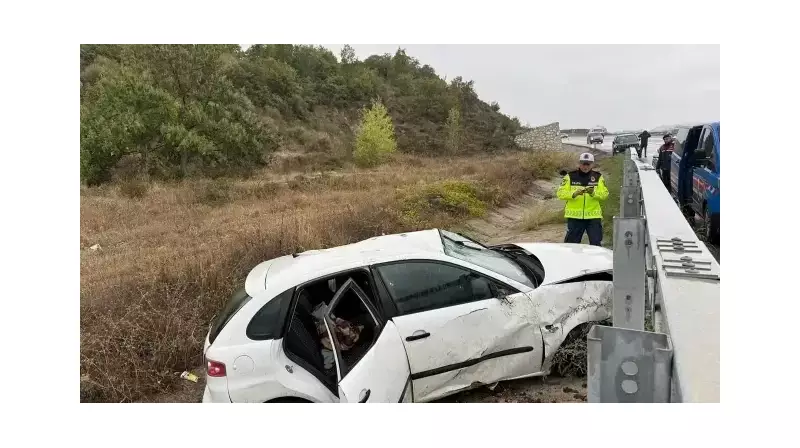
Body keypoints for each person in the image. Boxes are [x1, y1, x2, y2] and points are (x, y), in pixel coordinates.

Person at [556, 152, 609, 246]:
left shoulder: (598, 177)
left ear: (592, 164)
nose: (585, 166)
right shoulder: (570, 177)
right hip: (575, 217)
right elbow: (560, 193)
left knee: (596, 244)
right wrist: (574, 194)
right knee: (572, 246)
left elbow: (605, 194)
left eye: (588, 164)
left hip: (593, 217)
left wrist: (593, 193)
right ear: (579, 164)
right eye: (583, 163)